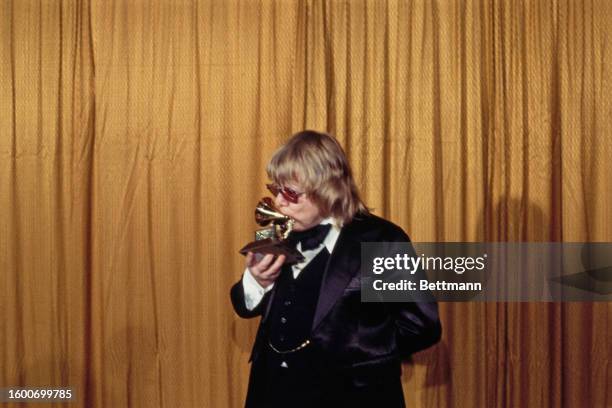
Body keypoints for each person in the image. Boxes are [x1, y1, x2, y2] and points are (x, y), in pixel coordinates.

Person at [230, 130, 441, 407]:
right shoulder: (277, 231)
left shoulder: (382, 240)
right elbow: (244, 306)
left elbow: (422, 326)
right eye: (275, 189)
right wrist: (256, 281)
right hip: (272, 392)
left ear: (328, 189)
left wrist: (361, 355)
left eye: (291, 193)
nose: (279, 202)